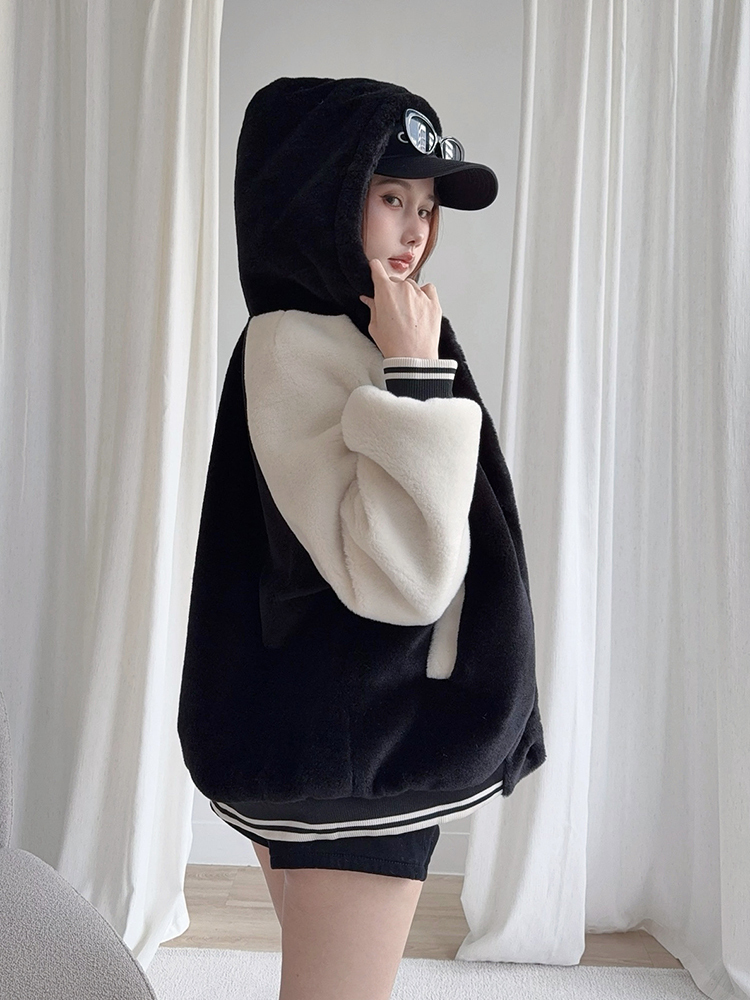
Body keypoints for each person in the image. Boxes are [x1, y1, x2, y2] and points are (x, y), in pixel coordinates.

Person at [177, 77, 546, 1000]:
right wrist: (416, 375)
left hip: (348, 729)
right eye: (390, 197)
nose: (416, 228)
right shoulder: (300, 342)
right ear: (322, 196)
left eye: (425, 205)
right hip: (366, 739)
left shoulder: (345, 328)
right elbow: (398, 579)